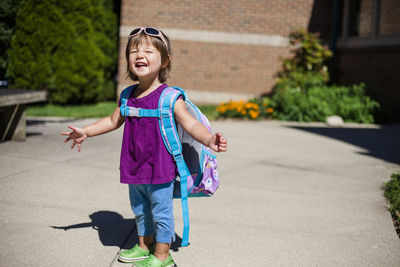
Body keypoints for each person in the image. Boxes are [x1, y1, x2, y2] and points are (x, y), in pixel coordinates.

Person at [61, 27, 228, 267]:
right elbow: (112, 121)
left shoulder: (170, 97)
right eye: (134, 51)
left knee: (161, 214)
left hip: (160, 169)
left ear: (164, 60)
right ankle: (142, 246)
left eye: (149, 50)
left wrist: (209, 139)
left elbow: (190, 124)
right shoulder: (128, 95)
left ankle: (162, 255)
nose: (140, 55)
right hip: (134, 167)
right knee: (140, 210)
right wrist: (86, 131)